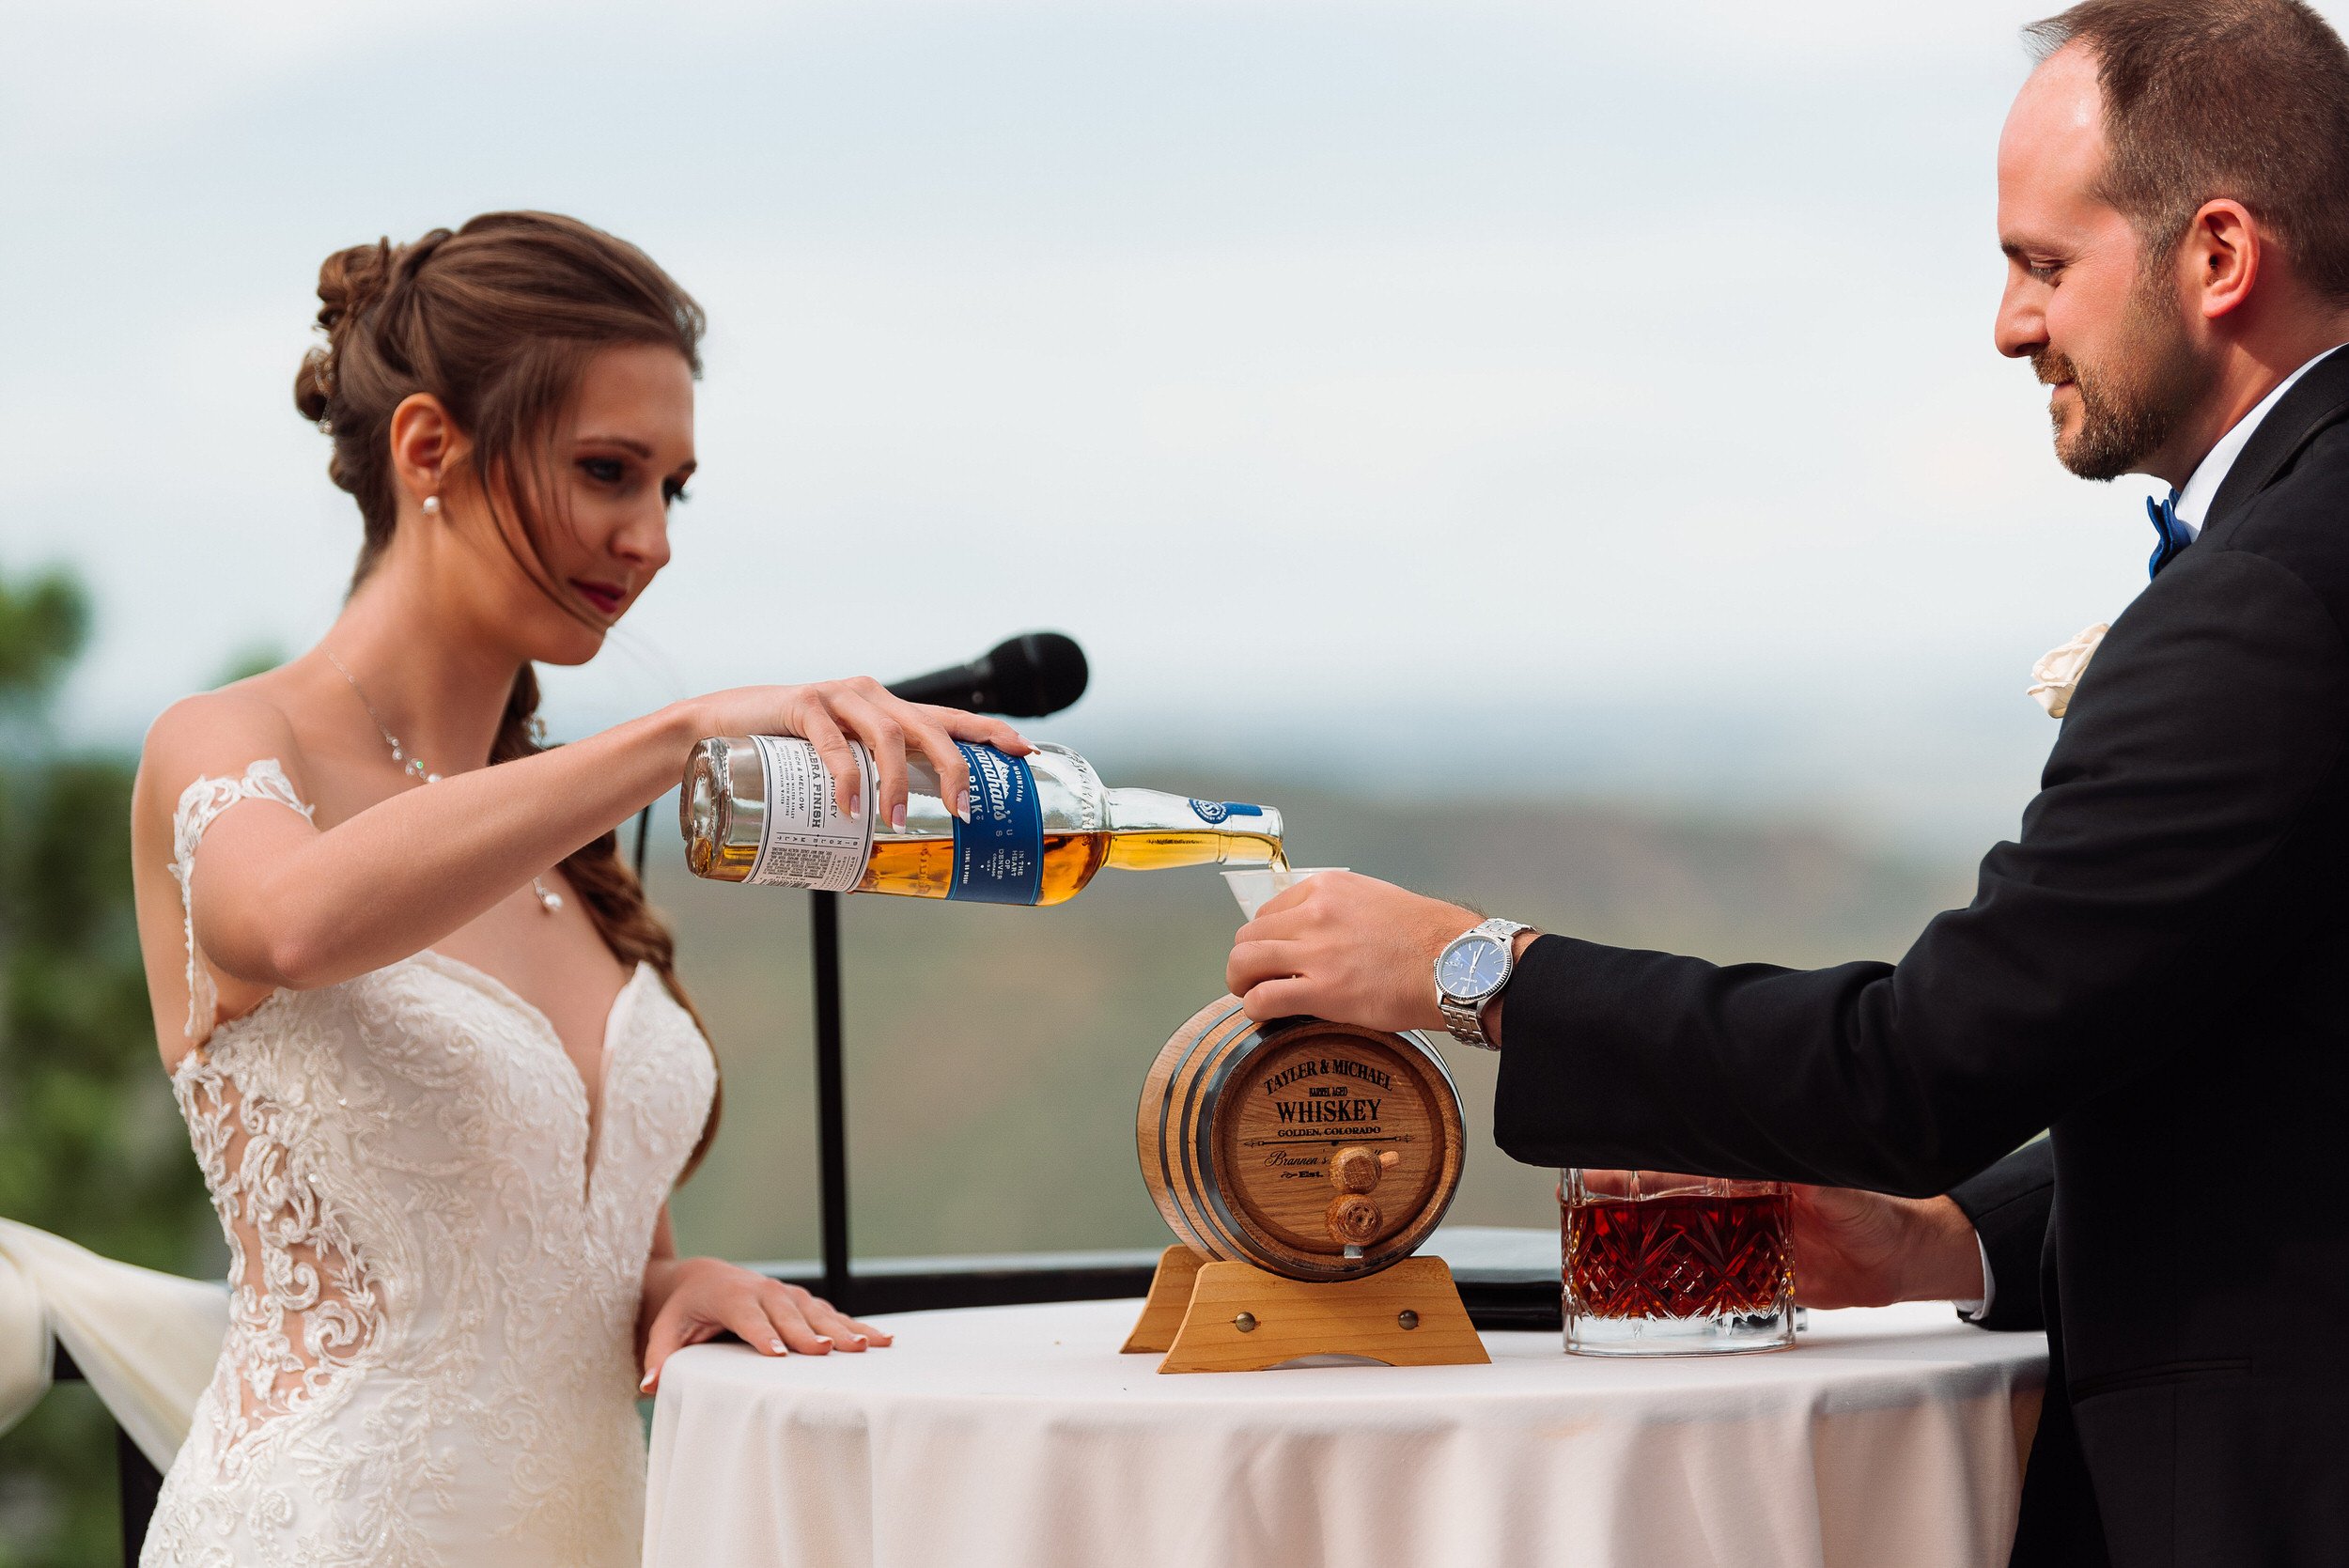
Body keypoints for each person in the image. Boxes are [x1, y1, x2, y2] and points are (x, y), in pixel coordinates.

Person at [1226, 3, 2349, 1563]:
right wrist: (1951, 1235)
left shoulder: (2267, 603)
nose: (2010, 327)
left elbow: (1921, 1065)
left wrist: (1473, 971)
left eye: (2042, 263)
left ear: (2218, 256)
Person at [127, 211, 1028, 1567]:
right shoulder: (231, 743)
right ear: (429, 448)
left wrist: (680, 1283)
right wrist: (676, 738)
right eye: (608, 471)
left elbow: (567, 1253)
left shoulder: (560, 847)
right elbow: (295, 920)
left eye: (674, 486)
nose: (651, 536)